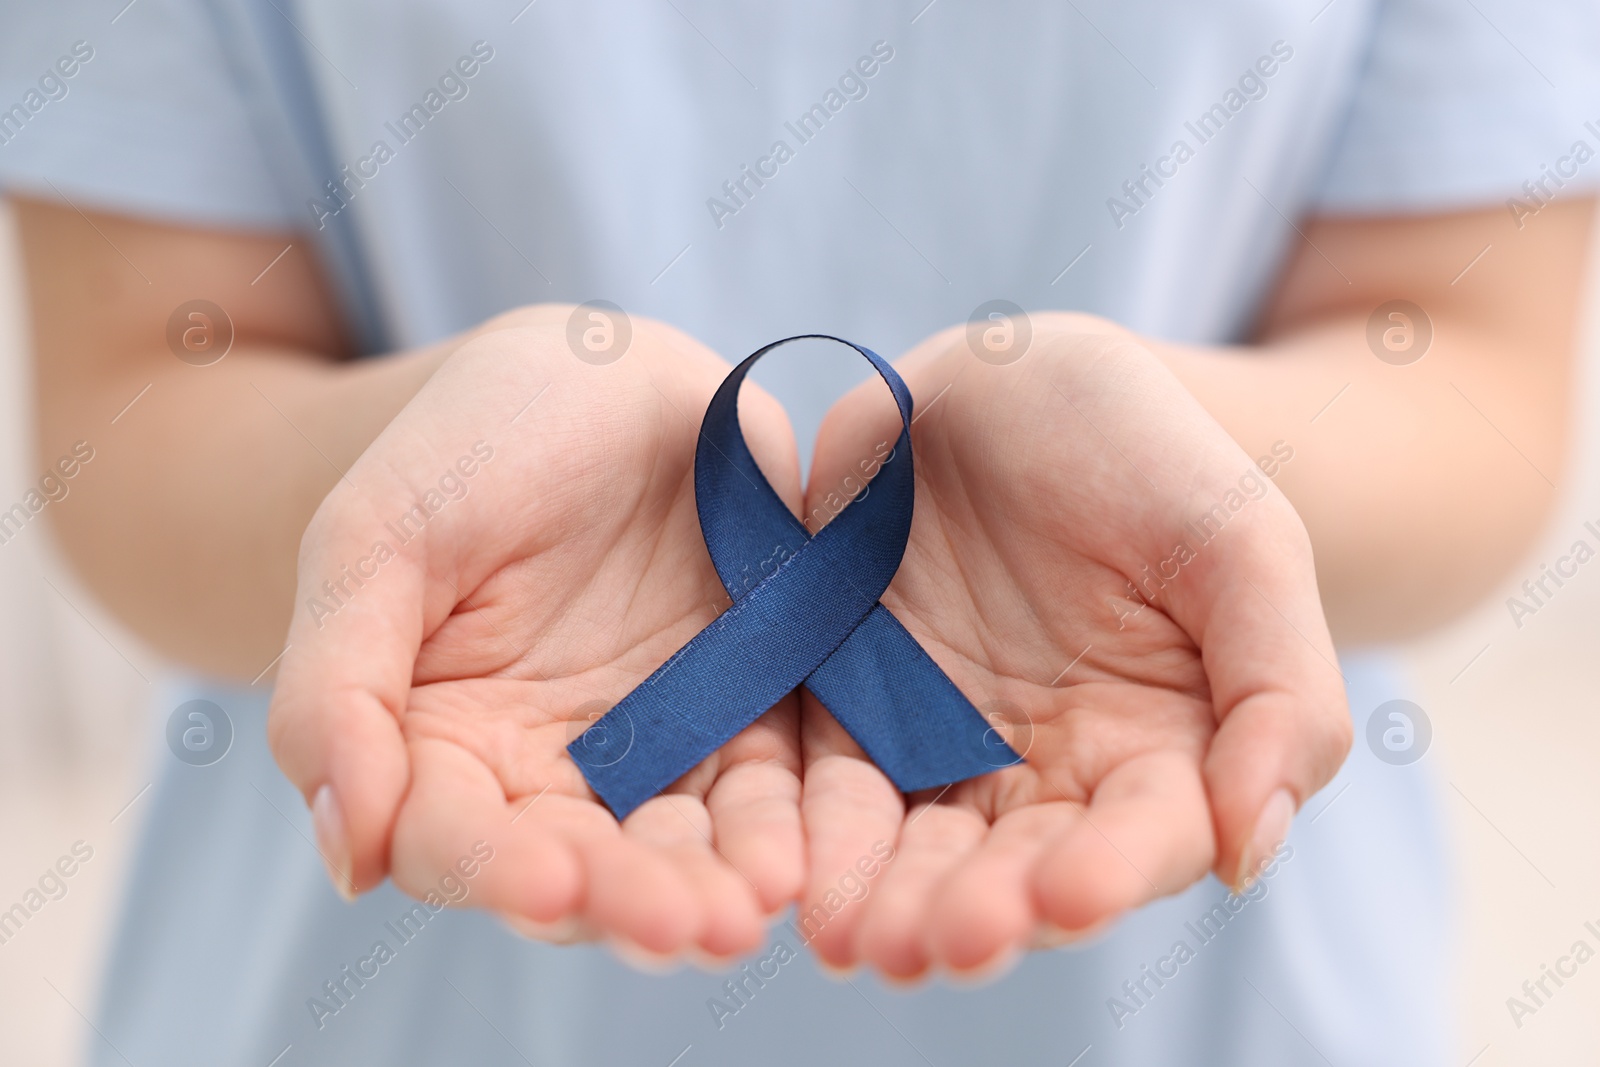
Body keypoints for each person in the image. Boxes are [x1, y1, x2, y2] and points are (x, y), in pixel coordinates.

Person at [3, 1, 1595, 1063]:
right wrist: (406, 489)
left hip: (1190, 972)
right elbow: (139, 398)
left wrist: (1199, 492)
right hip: (385, 970)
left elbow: (1475, 367)